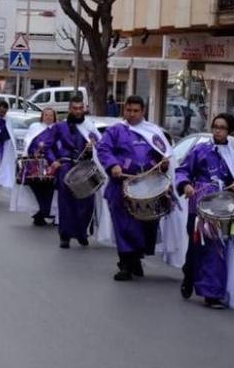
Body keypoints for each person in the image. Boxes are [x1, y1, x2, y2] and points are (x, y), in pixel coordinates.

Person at [97, 96, 172, 281]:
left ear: (143, 111)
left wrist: (162, 164)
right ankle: (125, 264)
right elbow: (103, 149)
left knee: (146, 226)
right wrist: (113, 165)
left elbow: (164, 153)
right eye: (128, 110)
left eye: (135, 111)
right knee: (125, 226)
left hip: (148, 187)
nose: (131, 114)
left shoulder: (153, 132)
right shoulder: (115, 131)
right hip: (122, 185)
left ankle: (136, 258)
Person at [176, 113, 234, 307]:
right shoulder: (200, 150)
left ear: (228, 131)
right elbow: (182, 170)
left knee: (216, 251)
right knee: (195, 248)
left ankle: (212, 293)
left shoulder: (232, 156)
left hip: (221, 210)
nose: (217, 130)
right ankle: (189, 274)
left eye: (222, 127)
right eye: (215, 126)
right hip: (198, 207)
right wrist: (185, 185)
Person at [48, 98, 102, 248]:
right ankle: (64, 236)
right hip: (65, 167)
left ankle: (81, 232)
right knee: (66, 204)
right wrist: (54, 161)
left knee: (87, 204)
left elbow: (101, 147)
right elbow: (49, 146)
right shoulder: (59, 127)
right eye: (75, 108)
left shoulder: (89, 127)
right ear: (69, 109)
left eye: (80, 108)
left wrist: (93, 150)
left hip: (85, 168)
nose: (78, 111)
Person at [10, 108, 57, 226]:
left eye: (51, 115)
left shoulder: (57, 129)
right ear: (42, 116)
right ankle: (39, 213)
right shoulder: (35, 127)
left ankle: (49, 213)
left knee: (51, 190)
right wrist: (35, 151)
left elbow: (57, 146)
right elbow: (28, 142)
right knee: (36, 190)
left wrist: (51, 158)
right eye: (46, 115)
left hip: (52, 165)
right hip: (35, 165)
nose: (48, 117)